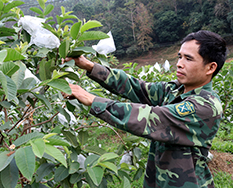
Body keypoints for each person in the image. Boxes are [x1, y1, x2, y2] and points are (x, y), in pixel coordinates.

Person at [63, 30, 227, 188]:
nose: (179, 64)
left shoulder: (205, 106)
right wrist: (89, 66)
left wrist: (92, 100)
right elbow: (135, 87)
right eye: (179, 57)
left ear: (210, 68)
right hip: (158, 179)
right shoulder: (174, 91)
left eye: (188, 59)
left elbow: (152, 118)